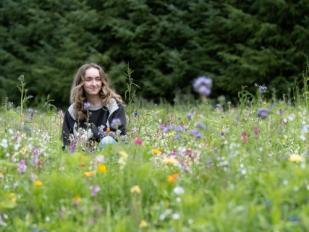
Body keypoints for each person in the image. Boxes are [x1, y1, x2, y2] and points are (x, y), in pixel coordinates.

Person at [61, 63, 126, 150]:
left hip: (110, 155)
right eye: (88, 79)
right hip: (83, 157)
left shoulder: (114, 106)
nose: (94, 84)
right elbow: (66, 142)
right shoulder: (73, 110)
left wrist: (91, 135)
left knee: (107, 141)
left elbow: (119, 137)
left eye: (98, 79)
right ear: (81, 83)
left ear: (102, 82)